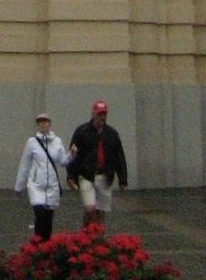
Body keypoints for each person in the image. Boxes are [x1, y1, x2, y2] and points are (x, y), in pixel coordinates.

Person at [64, 99, 127, 227]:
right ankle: (87, 233)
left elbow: (119, 156)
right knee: (90, 207)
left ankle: (99, 238)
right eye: (99, 114)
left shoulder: (112, 134)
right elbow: (72, 155)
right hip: (86, 175)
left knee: (101, 211)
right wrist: (71, 176)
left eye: (104, 114)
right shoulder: (82, 132)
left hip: (105, 176)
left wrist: (123, 179)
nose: (102, 117)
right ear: (93, 114)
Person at [13, 110, 68, 239]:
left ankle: (46, 245)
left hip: (52, 187)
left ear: (50, 124)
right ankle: (38, 243)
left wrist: (72, 155)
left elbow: (63, 161)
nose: (43, 125)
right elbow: (25, 164)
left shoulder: (57, 142)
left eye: (45, 122)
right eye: (40, 122)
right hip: (36, 185)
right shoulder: (32, 142)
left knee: (48, 218)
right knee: (40, 213)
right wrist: (19, 186)